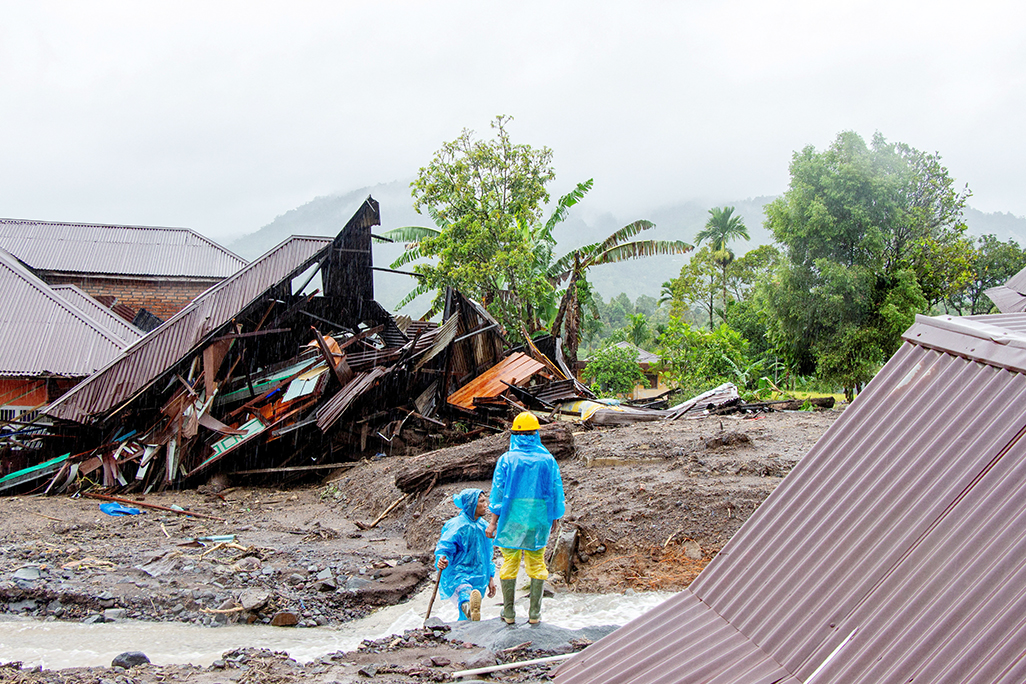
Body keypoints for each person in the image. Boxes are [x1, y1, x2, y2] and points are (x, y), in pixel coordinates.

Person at [485, 412, 566, 624]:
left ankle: (509, 613)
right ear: (536, 434)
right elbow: (555, 490)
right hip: (538, 519)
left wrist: (493, 522)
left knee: (509, 562)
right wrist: (555, 518)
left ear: (514, 434)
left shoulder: (507, 460)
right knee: (537, 562)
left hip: (511, 518)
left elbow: (498, 493)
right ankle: (534, 614)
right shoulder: (548, 460)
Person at [434, 488, 496, 621]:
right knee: (464, 594)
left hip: (479, 574)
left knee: (472, 603)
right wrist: (441, 559)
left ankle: (466, 626)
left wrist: (491, 577)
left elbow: (488, 554)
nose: (486, 505)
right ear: (471, 504)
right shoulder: (457, 526)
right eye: (481, 502)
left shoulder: (483, 526)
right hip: (459, 572)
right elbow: (445, 547)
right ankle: (469, 610)